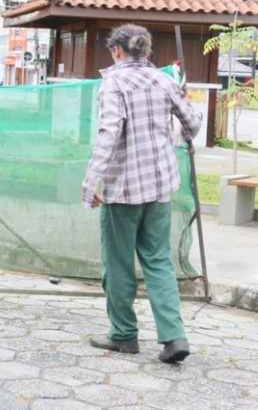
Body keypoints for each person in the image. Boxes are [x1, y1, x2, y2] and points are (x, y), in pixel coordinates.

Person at [81, 24, 202, 364]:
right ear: (146, 52)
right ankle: (174, 337)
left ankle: (123, 335)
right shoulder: (165, 81)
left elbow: (109, 133)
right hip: (160, 185)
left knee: (118, 264)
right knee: (159, 260)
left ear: (117, 50)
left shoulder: (114, 83)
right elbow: (192, 123)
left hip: (123, 189)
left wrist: (91, 182)